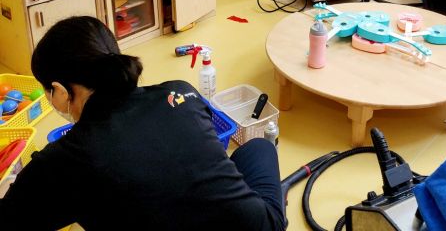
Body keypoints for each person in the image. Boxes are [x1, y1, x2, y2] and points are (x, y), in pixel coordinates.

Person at [0, 17, 285, 231]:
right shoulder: (180, 91)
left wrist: (23, 186)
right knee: (258, 147)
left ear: (61, 91)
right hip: (254, 225)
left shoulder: (62, 160)